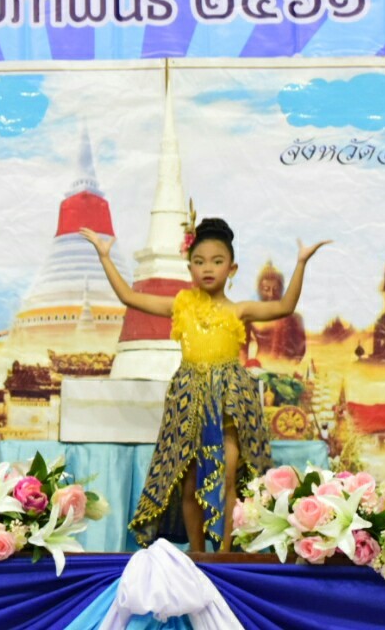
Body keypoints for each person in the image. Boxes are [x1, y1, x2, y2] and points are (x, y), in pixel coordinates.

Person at [82, 218, 330, 553]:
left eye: (217, 261)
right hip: (188, 398)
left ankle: (224, 554)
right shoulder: (180, 305)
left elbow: (285, 306)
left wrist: (301, 263)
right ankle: (197, 554)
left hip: (229, 398)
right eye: (199, 262)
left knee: (228, 477)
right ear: (190, 268)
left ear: (232, 268)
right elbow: (128, 296)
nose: (208, 268)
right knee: (189, 483)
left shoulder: (239, 310)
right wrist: (104, 256)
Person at [248, 261, 307, 364]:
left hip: (286, 366)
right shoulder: (252, 316)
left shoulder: (294, 317)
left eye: (275, 289)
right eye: (266, 289)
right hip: (259, 365)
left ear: (281, 289)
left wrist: (290, 366)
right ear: (259, 290)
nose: (271, 294)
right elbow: (242, 351)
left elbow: (300, 349)